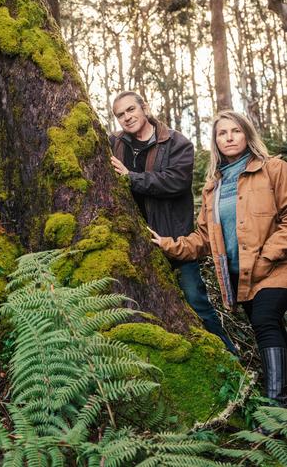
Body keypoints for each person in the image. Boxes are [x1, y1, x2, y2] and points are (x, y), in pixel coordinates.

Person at [150, 111, 287, 405]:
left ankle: (277, 405)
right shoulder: (213, 186)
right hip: (242, 277)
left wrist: (268, 255)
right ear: (216, 142)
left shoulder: (273, 169)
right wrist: (169, 245)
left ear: (247, 135)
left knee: (265, 320)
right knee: (271, 328)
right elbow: (203, 239)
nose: (229, 137)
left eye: (235, 131)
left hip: (277, 267)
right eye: (222, 133)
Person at [109, 91, 237, 354]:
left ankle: (229, 357)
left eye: (131, 110)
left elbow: (175, 182)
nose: (127, 117)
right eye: (120, 114)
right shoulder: (115, 143)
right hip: (134, 241)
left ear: (144, 108)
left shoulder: (177, 143)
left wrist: (131, 178)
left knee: (195, 300)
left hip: (176, 240)